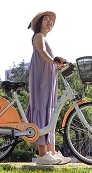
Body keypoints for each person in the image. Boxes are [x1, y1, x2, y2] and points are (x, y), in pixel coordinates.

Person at [27, 11, 69, 165]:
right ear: (40, 23)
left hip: (49, 80)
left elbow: (48, 60)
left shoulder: (45, 38)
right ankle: (43, 154)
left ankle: (51, 152)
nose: (49, 21)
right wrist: (53, 61)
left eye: (51, 20)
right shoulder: (38, 36)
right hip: (40, 80)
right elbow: (43, 53)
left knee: (49, 113)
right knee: (42, 110)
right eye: (46, 19)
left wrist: (57, 65)